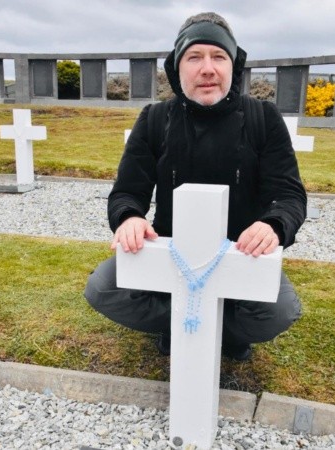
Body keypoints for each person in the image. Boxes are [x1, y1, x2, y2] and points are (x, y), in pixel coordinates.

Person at [84, 12, 307, 361]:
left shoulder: (264, 118)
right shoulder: (154, 120)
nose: (207, 68)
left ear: (233, 65)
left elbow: (289, 195)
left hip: (240, 257)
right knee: (102, 288)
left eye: (218, 57)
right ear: (177, 66)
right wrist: (128, 217)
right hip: (171, 257)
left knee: (279, 311)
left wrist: (274, 224)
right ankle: (181, 323)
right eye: (195, 57)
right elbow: (128, 191)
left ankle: (218, 330)